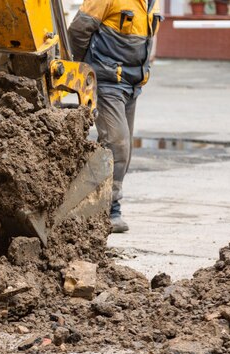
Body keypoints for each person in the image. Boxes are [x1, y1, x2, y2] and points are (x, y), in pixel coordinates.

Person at [68, 0, 163, 233]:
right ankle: (108, 210)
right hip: (108, 80)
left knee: (124, 147)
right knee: (117, 144)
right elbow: (78, 31)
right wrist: (86, 69)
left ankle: (100, 205)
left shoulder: (153, 3)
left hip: (132, 83)